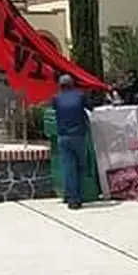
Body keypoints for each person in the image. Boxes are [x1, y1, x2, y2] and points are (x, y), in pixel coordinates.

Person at [52, 74, 92, 210]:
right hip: (79, 136)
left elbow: (56, 111)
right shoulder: (80, 96)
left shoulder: (56, 98)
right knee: (81, 166)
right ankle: (77, 197)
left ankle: (70, 196)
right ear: (72, 84)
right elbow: (90, 107)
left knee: (69, 168)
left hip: (63, 137)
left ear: (60, 86)